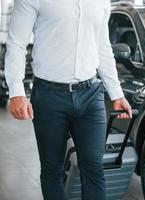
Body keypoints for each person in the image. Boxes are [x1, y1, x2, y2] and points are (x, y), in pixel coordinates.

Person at [4, 0, 132, 199]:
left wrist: (117, 93)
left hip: (91, 95)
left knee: (94, 169)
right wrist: (16, 92)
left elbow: (102, 46)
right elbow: (16, 43)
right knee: (52, 170)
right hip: (48, 96)